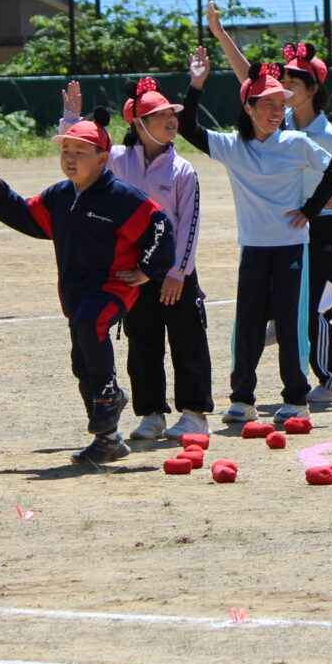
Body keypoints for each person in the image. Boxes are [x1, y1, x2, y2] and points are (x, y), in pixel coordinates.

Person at [207, 4, 332, 403]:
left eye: (292, 81)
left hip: (327, 228)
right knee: (291, 297)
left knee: (315, 309)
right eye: (281, 80)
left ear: (312, 90)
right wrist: (221, 36)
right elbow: (248, 79)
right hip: (297, 226)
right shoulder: (281, 123)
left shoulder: (327, 134)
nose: (282, 87)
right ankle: (276, 319)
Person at [0, 119, 174, 467]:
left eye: (81, 152)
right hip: (76, 290)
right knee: (82, 362)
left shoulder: (121, 198)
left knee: (90, 322)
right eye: (66, 151)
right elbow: (27, 216)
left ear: (102, 158)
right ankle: (108, 439)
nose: (70, 158)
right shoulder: (60, 196)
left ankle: (111, 394)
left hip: (115, 286)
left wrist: (149, 270)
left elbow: (161, 227)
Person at [177, 48, 332, 425]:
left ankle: (296, 398)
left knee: (290, 324)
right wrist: (196, 85)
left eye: (279, 103)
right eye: (265, 104)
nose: (275, 111)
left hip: (291, 250)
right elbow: (187, 127)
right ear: (248, 108)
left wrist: (311, 209)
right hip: (253, 249)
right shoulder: (233, 147)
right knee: (247, 323)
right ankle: (242, 398)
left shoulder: (296, 143)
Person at [59, 78, 212, 441]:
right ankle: (152, 413)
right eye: (160, 116)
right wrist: (71, 118)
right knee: (142, 342)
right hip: (132, 272)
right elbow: (83, 151)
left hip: (174, 273)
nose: (171, 121)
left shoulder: (182, 170)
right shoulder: (117, 161)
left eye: (172, 114)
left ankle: (194, 413)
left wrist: (177, 271)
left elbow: (189, 225)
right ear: (138, 123)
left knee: (187, 339)